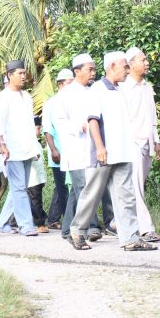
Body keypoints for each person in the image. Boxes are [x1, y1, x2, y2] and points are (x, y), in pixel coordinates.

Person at [69, 52, 156, 251]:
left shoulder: (121, 90)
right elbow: (93, 120)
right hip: (104, 153)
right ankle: (77, 231)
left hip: (123, 152)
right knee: (92, 194)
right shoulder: (98, 89)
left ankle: (130, 239)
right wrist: (100, 147)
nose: (127, 70)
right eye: (125, 66)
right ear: (112, 66)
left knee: (127, 197)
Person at [53, 54, 102, 241]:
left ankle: (67, 229)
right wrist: (78, 126)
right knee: (84, 188)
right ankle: (91, 227)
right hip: (75, 148)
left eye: (94, 69)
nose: (93, 73)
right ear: (77, 71)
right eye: (90, 69)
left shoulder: (94, 91)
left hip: (92, 148)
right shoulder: (65, 93)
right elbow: (59, 121)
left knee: (77, 191)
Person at [120, 47, 160, 242]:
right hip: (131, 142)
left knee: (136, 185)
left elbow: (152, 117)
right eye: (142, 60)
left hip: (147, 141)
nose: (146, 63)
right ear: (130, 65)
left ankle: (117, 221)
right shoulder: (123, 88)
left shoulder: (146, 87)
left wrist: (156, 140)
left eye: (146, 60)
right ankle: (146, 229)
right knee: (136, 187)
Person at [0, 60, 39, 237]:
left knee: (18, 188)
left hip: (27, 149)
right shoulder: (2, 98)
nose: (23, 76)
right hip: (11, 150)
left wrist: (35, 148)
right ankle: (25, 225)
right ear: (9, 75)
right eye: (19, 73)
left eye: (24, 73)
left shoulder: (27, 97)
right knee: (19, 189)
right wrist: (2, 146)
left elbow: (30, 125)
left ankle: (1, 221)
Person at [42, 68, 74, 229]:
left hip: (73, 152)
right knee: (63, 189)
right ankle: (69, 222)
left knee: (72, 187)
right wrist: (54, 150)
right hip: (59, 153)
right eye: (69, 83)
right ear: (60, 85)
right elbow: (47, 130)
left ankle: (57, 219)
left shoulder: (74, 101)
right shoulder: (51, 103)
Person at [27, 117, 49, 233]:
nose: (40, 131)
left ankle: (15, 221)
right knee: (36, 202)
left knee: (33, 201)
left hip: (38, 178)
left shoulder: (37, 143)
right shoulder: (28, 143)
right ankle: (40, 224)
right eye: (38, 128)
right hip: (32, 178)